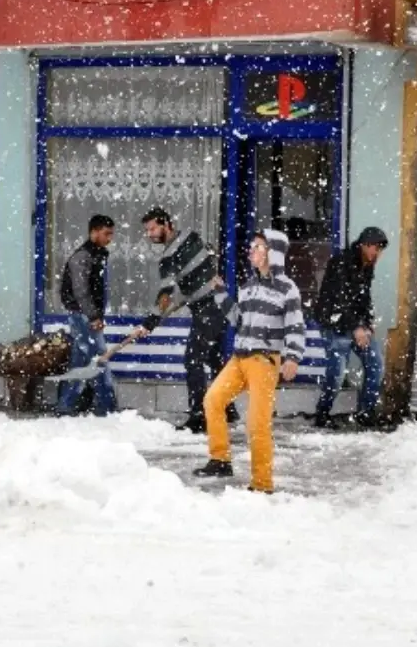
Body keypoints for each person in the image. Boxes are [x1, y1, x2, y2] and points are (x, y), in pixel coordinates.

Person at [196, 230, 307, 494]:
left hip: (265, 361)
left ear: (273, 253)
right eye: (252, 247)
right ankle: (220, 459)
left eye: (257, 247)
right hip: (239, 358)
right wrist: (221, 293)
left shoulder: (287, 289)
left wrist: (293, 357)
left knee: (257, 423)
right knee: (212, 399)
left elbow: (296, 326)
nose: (251, 251)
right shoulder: (248, 287)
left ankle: (262, 483)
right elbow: (237, 320)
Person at [134, 207, 237, 433]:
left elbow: (165, 294)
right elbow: (210, 255)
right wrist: (202, 284)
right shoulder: (192, 236)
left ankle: (200, 417)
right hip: (221, 304)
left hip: (207, 308)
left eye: (153, 228)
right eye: (147, 230)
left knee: (193, 359)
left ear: (166, 224)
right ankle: (227, 408)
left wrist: (150, 322)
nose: (150, 234)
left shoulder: (168, 257)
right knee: (214, 358)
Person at [312, 226, 389, 429]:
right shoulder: (342, 262)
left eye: (380, 249)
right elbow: (340, 299)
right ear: (364, 245)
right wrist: (356, 327)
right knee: (337, 373)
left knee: (376, 363)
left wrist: (368, 323)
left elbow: (364, 298)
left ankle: (365, 412)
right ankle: (322, 413)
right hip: (335, 323)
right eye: (375, 248)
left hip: (355, 323)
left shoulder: (367, 265)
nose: (377, 253)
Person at [56, 214, 118, 417]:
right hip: (84, 316)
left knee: (80, 361)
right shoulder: (83, 256)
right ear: (94, 231)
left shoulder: (96, 254)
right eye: (106, 233)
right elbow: (81, 291)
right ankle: (107, 406)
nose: (110, 238)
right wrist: (93, 316)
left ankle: (66, 404)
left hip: (84, 315)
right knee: (99, 358)